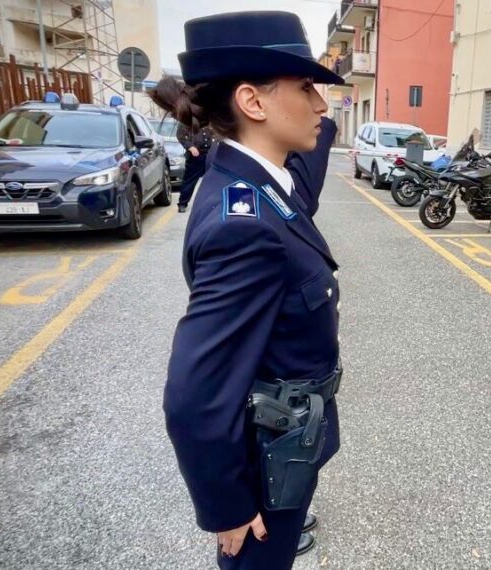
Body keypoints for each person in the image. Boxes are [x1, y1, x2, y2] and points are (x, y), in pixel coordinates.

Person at [154, 11, 344, 569]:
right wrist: (228, 506)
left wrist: (307, 109)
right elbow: (194, 392)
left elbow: (305, 174)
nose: (321, 104)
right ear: (252, 102)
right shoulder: (245, 224)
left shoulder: (256, 179)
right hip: (264, 466)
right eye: (305, 88)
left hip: (289, 441)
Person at [175, 121, 216, 213]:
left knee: (213, 180)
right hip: (196, 155)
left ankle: (212, 204)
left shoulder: (212, 117)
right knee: (189, 181)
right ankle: (182, 203)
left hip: (211, 154)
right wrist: (190, 147)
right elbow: (180, 135)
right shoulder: (188, 118)